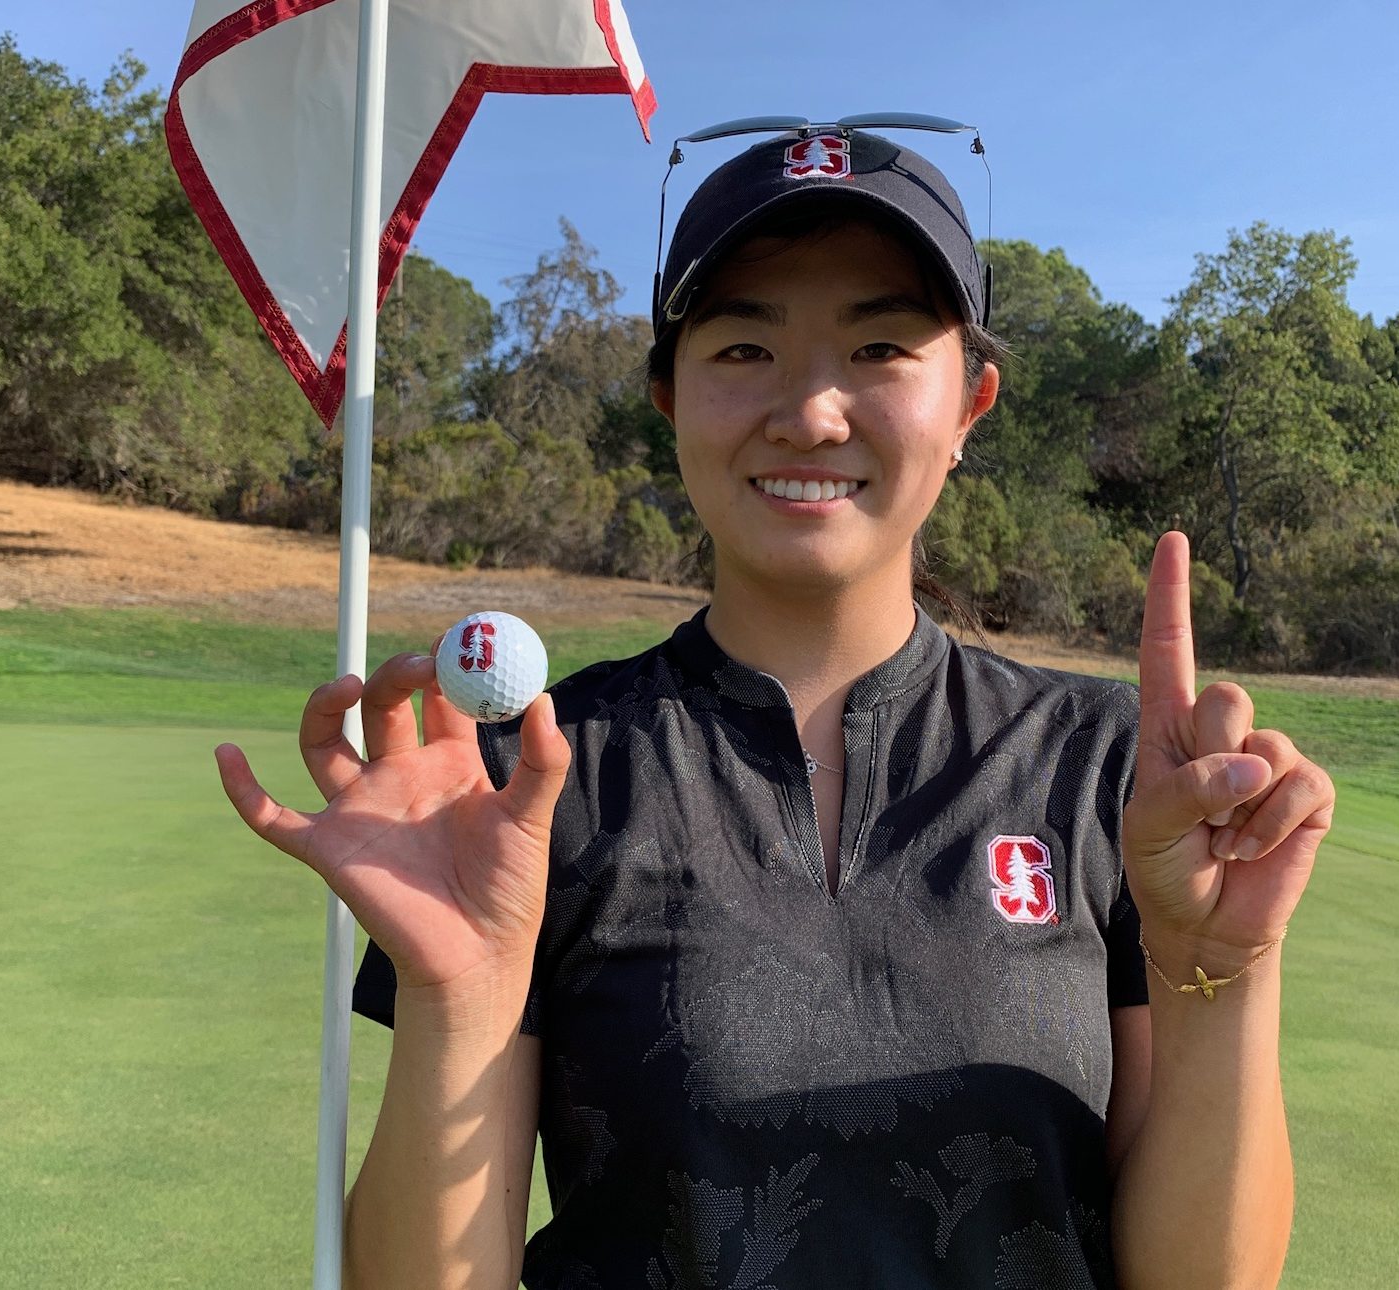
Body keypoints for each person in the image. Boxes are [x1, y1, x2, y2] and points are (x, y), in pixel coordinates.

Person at [215, 128, 1336, 1289]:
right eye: (744, 346)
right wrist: (458, 998)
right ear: (669, 396)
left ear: (972, 406)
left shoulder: (1109, 771)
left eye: (881, 346)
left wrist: (1227, 973)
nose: (809, 411)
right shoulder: (537, 776)